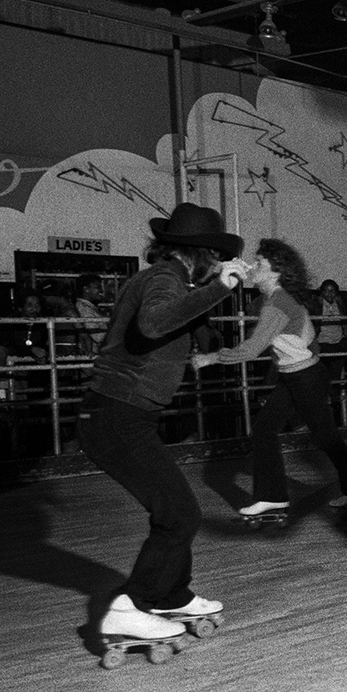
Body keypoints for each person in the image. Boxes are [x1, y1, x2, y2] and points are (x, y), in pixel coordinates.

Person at [78, 203, 251, 646]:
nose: (216, 264)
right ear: (200, 253)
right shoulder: (163, 278)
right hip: (116, 415)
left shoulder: (168, 279)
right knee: (179, 514)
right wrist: (221, 288)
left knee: (175, 509)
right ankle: (130, 606)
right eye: (214, 256)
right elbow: (154, 322)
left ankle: (171, 594)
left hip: (123, 414)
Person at [195, 239, 347, 521]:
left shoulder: (277, 304)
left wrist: (209, 358)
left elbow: (251, 349)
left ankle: (275, 497)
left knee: (308, 435)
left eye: (260, 263)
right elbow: (311, 339)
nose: (254, 267)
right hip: (301, 376)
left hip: (304, 379)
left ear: (275, 272)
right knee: (279, 431)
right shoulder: (282, 300)